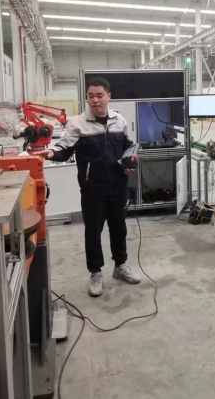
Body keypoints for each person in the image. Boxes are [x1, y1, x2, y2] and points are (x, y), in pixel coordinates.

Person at [37, 77, 140, 297]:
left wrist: (129, 163)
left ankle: (120, 265)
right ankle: (95, 272)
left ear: (108, 97)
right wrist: (52, 153)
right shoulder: (78, 124)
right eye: (91, 96)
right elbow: (64, 147)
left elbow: (128, 146)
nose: (95, 100)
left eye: (99, 95)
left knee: (119, 228)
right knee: (93, 232)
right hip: (92, 188)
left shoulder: (119, 121)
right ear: (87, 98)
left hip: (118, 186)